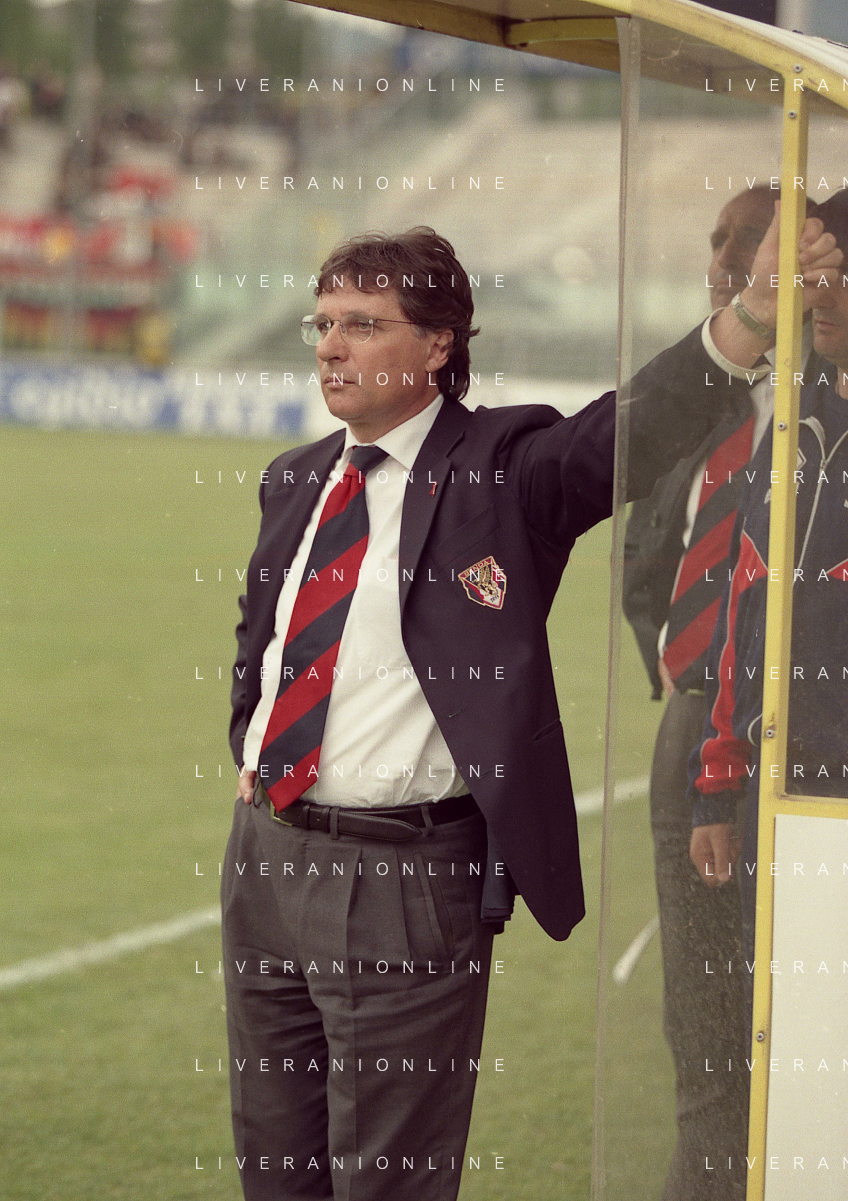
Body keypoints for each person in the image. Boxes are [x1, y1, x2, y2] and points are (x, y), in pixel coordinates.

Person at [222, 225, 838, 1201]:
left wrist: (754, 313)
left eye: (363, 325)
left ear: (438, 344)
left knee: (387, 1180)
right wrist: (252, 746)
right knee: (275, 1165)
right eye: (323, 323)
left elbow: (628, 430)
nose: (330, 347)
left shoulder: (503, 469)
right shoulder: (296, 477)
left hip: (401, 880)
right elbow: (260, 635)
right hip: (263, 858)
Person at [623, 186, 804, 1201]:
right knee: (704, 1021)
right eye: (720, 241)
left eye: (752, 242)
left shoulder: (821, 409)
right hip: (694, 733)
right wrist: (680, 670)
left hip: (806, 735)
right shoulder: (696, 406)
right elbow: (643, 557)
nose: (726, 260)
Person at [689, 192, 848, 1011]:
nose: (826, 294)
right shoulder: (794, 421)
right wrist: (718, 783)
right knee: (787, 1035)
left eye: (844, 276)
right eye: (818, 274)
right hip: (775, 795)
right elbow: (741, 613)